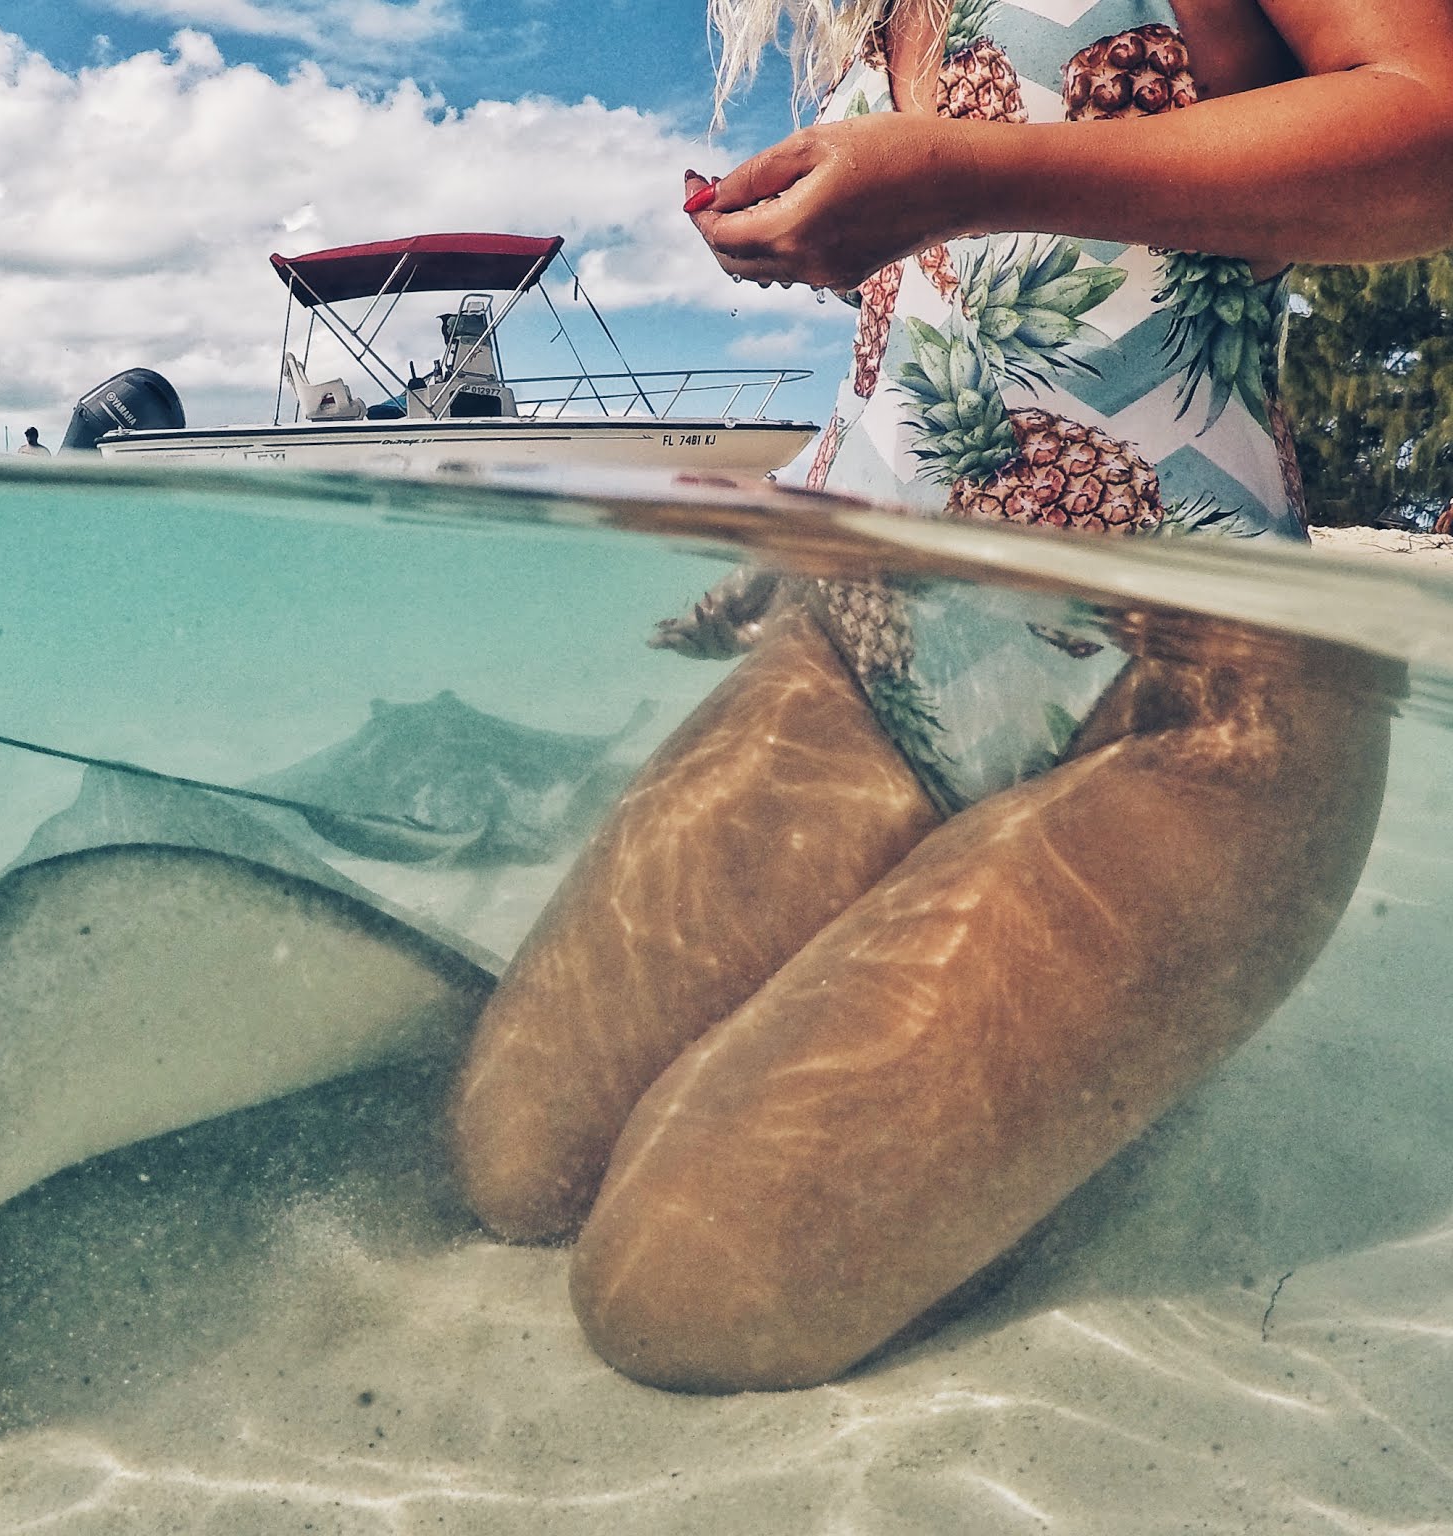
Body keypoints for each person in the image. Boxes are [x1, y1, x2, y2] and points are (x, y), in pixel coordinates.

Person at [451, 0, 1453, 1394]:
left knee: (675, 1291)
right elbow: (937, 349)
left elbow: (1435, 119)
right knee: (516, 1155)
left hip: (1194, 703)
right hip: (870, 647)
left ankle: (1107, 1053)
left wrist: (974, 174)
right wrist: (798, 524)